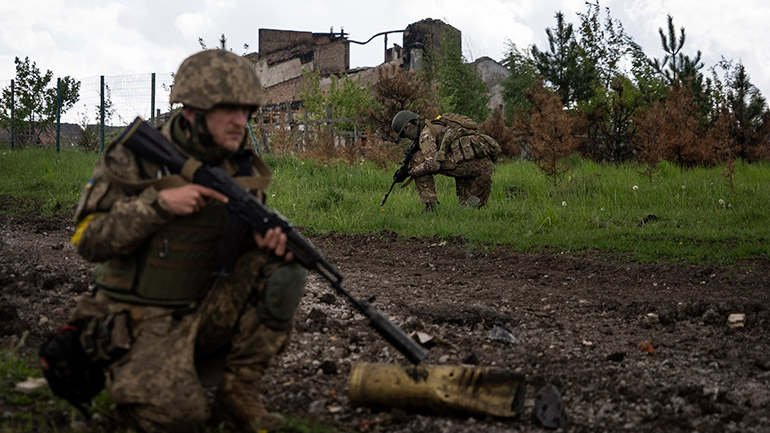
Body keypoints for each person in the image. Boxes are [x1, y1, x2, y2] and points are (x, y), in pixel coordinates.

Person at [68, 49, 306, 432]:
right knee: (181, 420)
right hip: (136, 318)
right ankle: (128, 393)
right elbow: (87, 241)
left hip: (200, 306)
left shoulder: (237, 164)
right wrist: (158, 204)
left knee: (283, 269)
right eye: (228, 109)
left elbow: (232, 251)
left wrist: (264, 240)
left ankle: (237, 393)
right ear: (193, 111)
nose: (240, 121)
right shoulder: (133, 157)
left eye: (246, 111)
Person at [391, 110, 499, 211]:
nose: (406, 136)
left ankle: (431, 206)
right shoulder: (436, 124)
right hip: (482, 166)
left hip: (468, 166)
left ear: (408, 126)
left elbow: (433, 165)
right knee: (469, 209)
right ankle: (465, 207)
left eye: (404, 133)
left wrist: (409, 172)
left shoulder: (425, 135)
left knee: (418, 159)